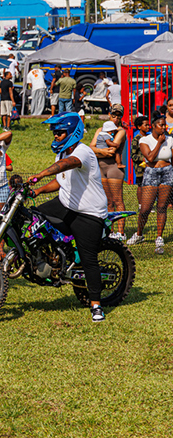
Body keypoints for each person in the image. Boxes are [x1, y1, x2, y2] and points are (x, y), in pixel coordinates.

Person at [28, 113, 110, 322]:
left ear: (73, 133)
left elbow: (68, 164)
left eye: (60, 132)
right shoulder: (61, 152)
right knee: (32, 217)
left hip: (89, 212)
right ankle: (50, 256)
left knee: (89, 258)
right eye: (54, 133)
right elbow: (61, 181)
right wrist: (37, 191)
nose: (56, 136)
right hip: (65, 204)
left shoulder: (83, 152)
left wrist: (41, 174)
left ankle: (96, 304)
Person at [128, 113, 173, 253]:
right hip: (151, 172)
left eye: (165, 125)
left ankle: (159, 237)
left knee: (162, 207)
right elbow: (150, 157)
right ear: (153, 126)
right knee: (145, 209)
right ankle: (139, 234)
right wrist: (159, 142)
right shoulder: (144, 140)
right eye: (161, 125)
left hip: (167, 172)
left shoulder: (170, 139)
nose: (163, 128)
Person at [90, 119, 126, 240]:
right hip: (100, 168)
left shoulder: (120, 131)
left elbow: (111, 152)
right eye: (113, 114)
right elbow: (90, 148)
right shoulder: (100, 130)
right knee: (107, 201)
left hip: (113, 168)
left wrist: (97, 152)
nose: (115, 117)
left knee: (117, 200)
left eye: (118, 115)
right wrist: (101, 152)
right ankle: (110, 231)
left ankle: (121, 232)